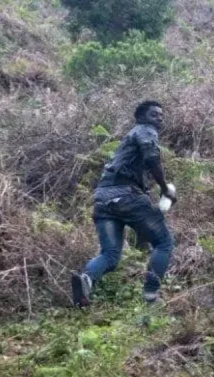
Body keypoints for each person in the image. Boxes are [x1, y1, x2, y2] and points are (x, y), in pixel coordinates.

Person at [71, 100, 176, 307]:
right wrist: (164, 188)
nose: (159, 118)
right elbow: (151, 157)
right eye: (154, 114)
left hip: (103, 200)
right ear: (141, 118)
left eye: (161, 115)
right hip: (127, 197)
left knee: (109, 255)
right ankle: (151, 296)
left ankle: (86, 281)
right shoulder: (145, 130)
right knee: (164, 243)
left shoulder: (127, 142)